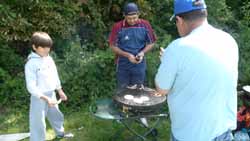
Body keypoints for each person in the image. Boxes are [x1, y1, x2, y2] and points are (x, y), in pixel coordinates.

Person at [155, 0, 238, 140]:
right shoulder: (228, 40)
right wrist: (170, 61)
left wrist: (167, 61)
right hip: (223, 132)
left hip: (190, 134)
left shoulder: (176, 48)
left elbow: (161, 89)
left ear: (179, 20)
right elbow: (204, 71)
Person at [25, 32, 73, 141]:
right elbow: (31, 87)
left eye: (48, 47)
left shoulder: (49, 59)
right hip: (39, 98)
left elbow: (54, 76)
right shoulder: (31, 64)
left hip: (52, 94)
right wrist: (45, 98)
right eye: (43, 47)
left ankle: (60, 133)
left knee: (56, 115)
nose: (46, 50)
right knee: (38, 122)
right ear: (34, 47)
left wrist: (60, 91)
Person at [109, 2, 156, 89]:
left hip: (139, 63)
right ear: (124, 15)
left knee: (138, 90)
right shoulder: (118, 27)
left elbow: (151, 42)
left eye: (134, 18)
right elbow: (112, 45)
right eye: (129, 18)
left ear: (138, 14)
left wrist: (142, 53)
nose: (132, 21)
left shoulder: (145, 25)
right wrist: (128, 55)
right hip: (123, 63)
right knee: (122, 90)